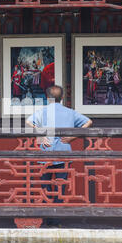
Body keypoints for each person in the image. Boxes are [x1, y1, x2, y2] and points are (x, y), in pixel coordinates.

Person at [26, 85, 93, 227]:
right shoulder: (69, 112)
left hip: (46, 151)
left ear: (47, 97)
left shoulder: (42, 111)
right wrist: (71, 137)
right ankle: (56, 220)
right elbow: (88, 122)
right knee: (60, 186)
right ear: (62, 98)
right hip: (63, 151)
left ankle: (47, 219)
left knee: (45, 185)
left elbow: (28, 122)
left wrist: (41, 135)